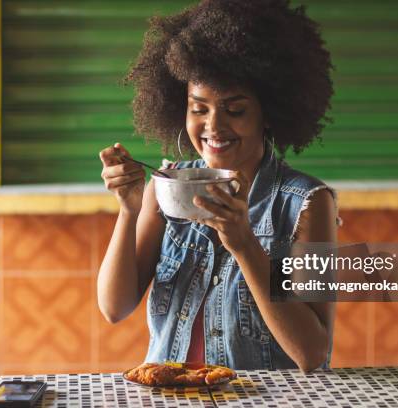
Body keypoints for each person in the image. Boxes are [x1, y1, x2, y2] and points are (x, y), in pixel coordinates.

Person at [97, 0, 338, 372]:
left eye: (235, 109)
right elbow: (114, 308)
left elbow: (311, 353)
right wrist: (129, 211)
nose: (214, 126)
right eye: (199, 108)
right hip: (175, 394)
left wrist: (244, 243)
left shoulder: (308, 204)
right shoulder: (165, 188)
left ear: (269, 113)